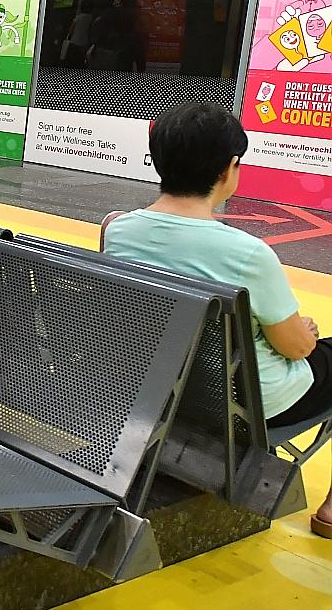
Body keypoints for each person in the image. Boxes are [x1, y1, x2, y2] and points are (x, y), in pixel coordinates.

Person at [103, 103, 332, 539]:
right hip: (244, 406)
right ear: (229, 169)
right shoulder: (248, 254)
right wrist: (305, 331)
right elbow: (296, 348)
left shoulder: (118, 230)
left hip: (158, 389)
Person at [62, 0, 96, 67]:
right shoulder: (91, 18)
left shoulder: (78, 17)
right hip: (84, 43)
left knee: (70, 61)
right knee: (79, 62)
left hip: (74, 41)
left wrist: (68, 37)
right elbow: (91, 30)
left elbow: (71, 29)